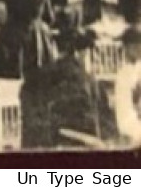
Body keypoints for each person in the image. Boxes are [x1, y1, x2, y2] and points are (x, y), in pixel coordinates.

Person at [21, 11, 116, 149]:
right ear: (82, 51)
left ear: (54, 47)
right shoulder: (90, 81)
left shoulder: (39, 78)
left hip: (53, 144)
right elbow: (108, 126)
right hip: (90, 145)